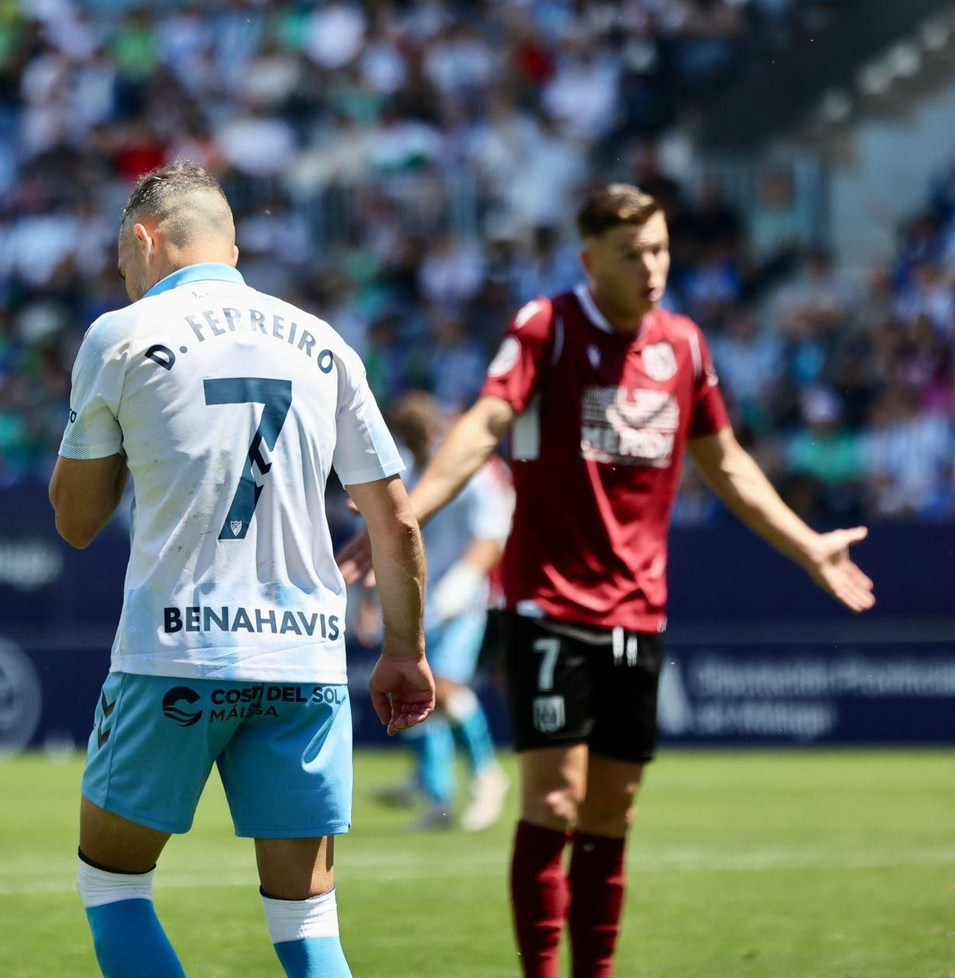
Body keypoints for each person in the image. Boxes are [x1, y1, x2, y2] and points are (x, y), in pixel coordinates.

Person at [338, 184, 875, 977]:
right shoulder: (547, 328)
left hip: (639, 610)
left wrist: (807, 546)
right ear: (591, 261)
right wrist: (401, 515)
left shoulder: (684, 346)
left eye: (659, 249)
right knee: (554, 800)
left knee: (611, 811)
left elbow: (724, 462)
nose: (651, 266)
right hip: (548, 603)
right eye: (632, 254)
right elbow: (485, 425)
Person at [51, 161, 435, 978]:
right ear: (234, 243)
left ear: (145, 239)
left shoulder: (118, 336)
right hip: (303, 660)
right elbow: (394, 516)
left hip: (174, 658)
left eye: (125, 259)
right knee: (307, 922)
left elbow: (77, 521)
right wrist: (404, 651)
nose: (126, 276)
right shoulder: (325, 343)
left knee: (112, 881)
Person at [358, 392, 512, 833]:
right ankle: (436, 795)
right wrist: (376, 598)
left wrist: (459, 587)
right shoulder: (410, 471)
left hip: (463, 600)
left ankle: (486, 773)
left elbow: (489, 539)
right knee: (415, 692)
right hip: (419, 597)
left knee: (443, 688)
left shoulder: (474, 473)